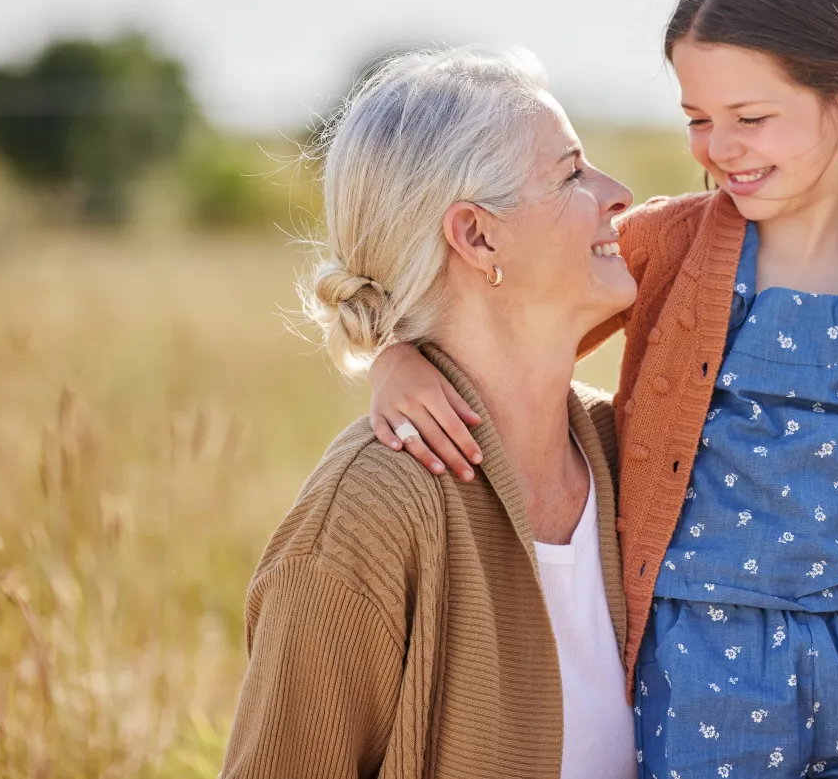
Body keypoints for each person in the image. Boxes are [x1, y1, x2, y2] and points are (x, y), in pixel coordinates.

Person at [370, 0, 838, 779]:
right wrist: (400, 356)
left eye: (750, 118)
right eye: (698, 119)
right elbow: (511, 308)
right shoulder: (672, 248)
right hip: (695, 683)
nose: (717, 148)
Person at [221, 47, 640, 779]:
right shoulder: (367, 515)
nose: (620, 193)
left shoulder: (633, 451)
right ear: (477, 236)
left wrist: (395, 354)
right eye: (572, 172)